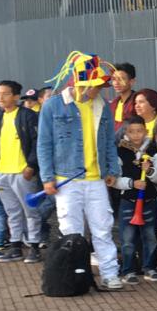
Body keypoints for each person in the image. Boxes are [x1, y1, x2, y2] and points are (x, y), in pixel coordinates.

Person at [37, 53, 124, 290]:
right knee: (70, 231)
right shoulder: (54, 105)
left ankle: (109, 273)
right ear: (80, 83)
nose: (98, 90)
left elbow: (108, 141)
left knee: (103, 228)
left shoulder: (101, 106)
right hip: (66, 179)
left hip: (95, 178)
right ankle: (75, 275)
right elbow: (44, 143)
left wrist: (111, 169)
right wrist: (47, 178)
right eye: (94, 85)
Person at [0, 80, 43, 264]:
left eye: (5, 94)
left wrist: (31, 165)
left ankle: (35, 246)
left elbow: (38, 142)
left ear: (15, 97)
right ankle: (15, 246)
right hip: (2, 171)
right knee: (11, 211)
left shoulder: (27, 116)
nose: (1, 97)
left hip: (22, 172)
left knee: (31, 210)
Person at [113, 116, 157, 283]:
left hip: (149, 200)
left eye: (139, 131)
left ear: (146, 131)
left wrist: (149, 171)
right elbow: (114, 180)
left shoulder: (152, 151)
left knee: (150, 236)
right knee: (127, 239)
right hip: (128, 201)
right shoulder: (120, 151)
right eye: (131, 131)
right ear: (126, 132)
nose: (136, 135)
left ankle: (149, 267)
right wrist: (131, 183)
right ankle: (128, 270)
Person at [110, 62, 137, 127]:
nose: (116, 83)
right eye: (114, 79)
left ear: (132, 81)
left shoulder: (137, 102)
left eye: (121, 79)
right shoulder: (113, 103)